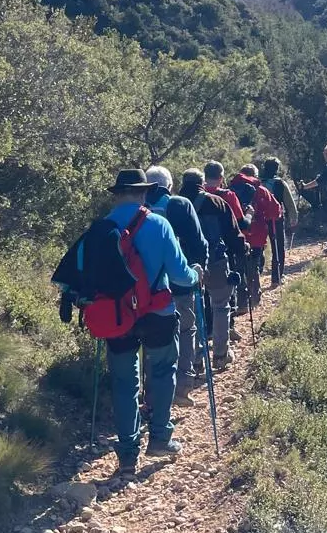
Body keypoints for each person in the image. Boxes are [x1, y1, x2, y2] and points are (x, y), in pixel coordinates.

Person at [60, 168, 199, 476]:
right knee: (162, 370)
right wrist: (196, 274)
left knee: (125, 382)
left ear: (118, 194)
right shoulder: (158, 224)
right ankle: (160, 436)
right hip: (157, 313)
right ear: (144, 192)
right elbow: (179, 274)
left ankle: (126, 453)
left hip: (116, 316)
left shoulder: (100, 228)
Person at [145, 166, 209, 405]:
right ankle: (182, 389)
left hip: (148, 288)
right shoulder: (181, 205)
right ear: (169, 186)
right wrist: (198, 270)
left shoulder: (139, 208)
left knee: (152, 338)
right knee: (186, 330)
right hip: (182, 282)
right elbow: (199, 242)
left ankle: (152, 392)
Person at [181, 167, 245, 366]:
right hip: (216, 262)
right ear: (202, 182)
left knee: (191, 311)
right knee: (220, 306)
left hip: (186, 265)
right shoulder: (217, 202)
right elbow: (234, 234)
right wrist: (241, 251)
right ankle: (220, 355)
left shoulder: (175, 204)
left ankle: (197, 358)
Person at [203, 160, 250, 333]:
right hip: (226, 248)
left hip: (202, 249)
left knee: (206, 290)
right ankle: (228, 328)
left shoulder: (196, 196)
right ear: (221, 177)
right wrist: (250, 215)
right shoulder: (228, 196)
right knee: (226, 286)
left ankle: (209, 327)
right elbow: (241, 224)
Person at [229, 165, 283, 305]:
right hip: (257, 235)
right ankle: (254, 297)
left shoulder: (230, 190)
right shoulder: (261, 190)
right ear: (255, 175)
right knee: (255, 262)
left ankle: (241, 302)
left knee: (239, 265)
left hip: (237, 235)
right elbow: (275, 212)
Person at [260, 156, 299, 287]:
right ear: (276, 168)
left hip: (259, 220)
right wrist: (293, 219)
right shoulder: (280, 183)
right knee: (278, 247)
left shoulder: (258, 183)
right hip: (275, 219)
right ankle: (276, 278)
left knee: (259, 247)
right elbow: (289, 203)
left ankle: (256, 276)